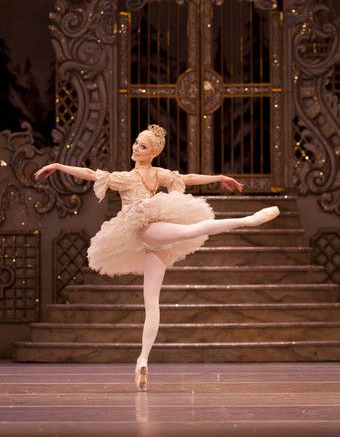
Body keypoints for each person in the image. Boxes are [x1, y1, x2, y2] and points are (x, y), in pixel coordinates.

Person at [35, 124, 280, 391]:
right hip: (150, 233)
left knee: (153, 300)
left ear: (151, 153)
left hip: (152, 235)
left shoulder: (136, 176)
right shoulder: (137, 176)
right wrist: (60, 165)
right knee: (184, 239)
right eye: (136, 143)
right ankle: (249, 220)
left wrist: (217, 177)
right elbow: (92, 174)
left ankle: (142, 360)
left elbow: (186, 178)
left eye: (141, 146)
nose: (135, 148)